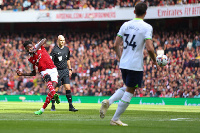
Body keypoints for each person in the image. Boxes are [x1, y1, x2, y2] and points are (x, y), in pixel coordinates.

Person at [99, 2, 160, 126]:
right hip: (135, 64)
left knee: (128, 86)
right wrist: (154, 60)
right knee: (130, 91)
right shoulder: (147, 27)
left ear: (134, 12)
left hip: (124, 63)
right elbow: (149, 48)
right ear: (145, 13)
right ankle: (115, 119)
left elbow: (116, 44)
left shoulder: (125, 25)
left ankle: (109, 102)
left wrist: (121, 57)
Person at [16, 38, 60, 115]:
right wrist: (22, 74)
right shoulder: (30, 60)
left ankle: (42, 110)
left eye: (30, 46)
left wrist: (35, 48)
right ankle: (54, 94)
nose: (30, 48)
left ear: (32, 45)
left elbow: (44, 39)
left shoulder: (38, 46)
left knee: (51, 89)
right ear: (26, 50)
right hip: (43, 70)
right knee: (47, 79)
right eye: (28, 48)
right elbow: (33, 73)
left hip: (53, 69)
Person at [50, 35, 78, 112]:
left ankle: (71, 106)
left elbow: (68, 59)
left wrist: (70, 69)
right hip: (57, 72)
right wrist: (53, 71)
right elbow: (51, 62)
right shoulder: (54, 50)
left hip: (65, 71)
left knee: (68, 88)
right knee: (55, 89)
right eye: (61, 40)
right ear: (58, 41)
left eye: (63, 40)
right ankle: (53, 105)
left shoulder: (66, 49)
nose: (62, 42)